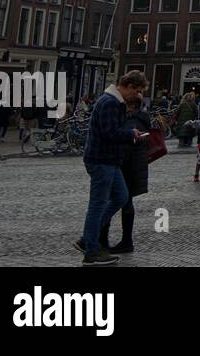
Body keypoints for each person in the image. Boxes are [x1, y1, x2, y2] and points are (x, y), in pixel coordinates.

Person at [77, 71, 150, 265]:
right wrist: (130, 134)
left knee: (121, 196)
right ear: (129, 87)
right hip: (101, 160)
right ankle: (91, 251)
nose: (139, 96)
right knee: (97, 205)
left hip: (110, 160)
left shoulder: (114, 102)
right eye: (138, 91)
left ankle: (88, 238)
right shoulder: (110, 102)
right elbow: (109, 132)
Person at [99, 93, 151, 253]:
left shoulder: (132, 120)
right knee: (124, 202)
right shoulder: (141, 118)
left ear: (130, 105)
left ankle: (106, 240)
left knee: (112, 201)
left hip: (126, 167)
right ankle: (120, 240)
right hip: (134, 167)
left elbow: (128, 142)